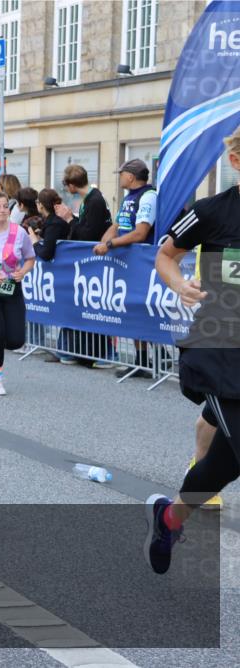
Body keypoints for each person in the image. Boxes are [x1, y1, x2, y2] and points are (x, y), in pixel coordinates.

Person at [145, 127, 240, 574]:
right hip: (221, 349)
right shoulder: (211, 211)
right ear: (236, 161)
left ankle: (169, 519)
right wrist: (180, 284)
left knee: (224, 465)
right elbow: (166, 255)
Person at [95, 159, 159, 378]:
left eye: (121, 174)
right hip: (128, 263)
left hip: (142, 263)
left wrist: (110, 244)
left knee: (143, 310)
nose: (119, 177)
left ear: (130, 176)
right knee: (133, 310)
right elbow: (117, 225)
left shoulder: (148, 196)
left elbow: (140, 233)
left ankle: (153, 358)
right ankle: (142, 360)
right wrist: (104, 242)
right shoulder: (128, 197)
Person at [57, 164, 117, 368]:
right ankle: (81, 351)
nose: (66, 188)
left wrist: (69, 220)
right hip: (90, 261)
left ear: (72, 185)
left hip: (95, 261)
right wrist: (74, 220)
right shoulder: (91, 199)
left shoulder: (95, 200)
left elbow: (88, 234)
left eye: (66, 184)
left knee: (96, 307)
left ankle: (106, 353)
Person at [0, 191, 35, 396]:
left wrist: (23, 271)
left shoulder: (19, 233)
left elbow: (30, 258)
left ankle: (0, 348)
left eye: (4, 206)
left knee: (16, 341)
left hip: (12, 290)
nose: (2, 210)